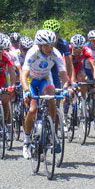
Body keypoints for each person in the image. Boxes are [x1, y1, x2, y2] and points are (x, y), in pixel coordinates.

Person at [21, 29, 69, 159]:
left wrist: (65, 89)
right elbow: (23, 75)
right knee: (32, 110)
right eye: (46, 45)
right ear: (39, 45)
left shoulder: (56, 54)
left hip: (44, 79)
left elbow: (64, 76)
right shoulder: (33, 52)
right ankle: (26, 141)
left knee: (52, 97)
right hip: (31, 80)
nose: (49, 48)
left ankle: (52, 132)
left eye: (51, 44)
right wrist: (26, 91)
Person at [43, 19, 73, 87]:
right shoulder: (39, 44)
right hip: (41, 68)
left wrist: (71, 82)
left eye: (54, 36)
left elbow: (69, 64)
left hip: (55, 67)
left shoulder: (63, 44)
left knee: (58, 92)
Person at [70, 33, 95, 98]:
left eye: (80, 48)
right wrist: (72, 81)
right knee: (70, 93)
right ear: (72, 46)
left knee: (83, 79)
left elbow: (93, 66)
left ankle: (83, 100)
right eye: (76, 48)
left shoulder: (87, 50)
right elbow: (68, 66)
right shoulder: (68, 50)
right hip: (69, 68)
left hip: (78, 68)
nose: (78, 50)